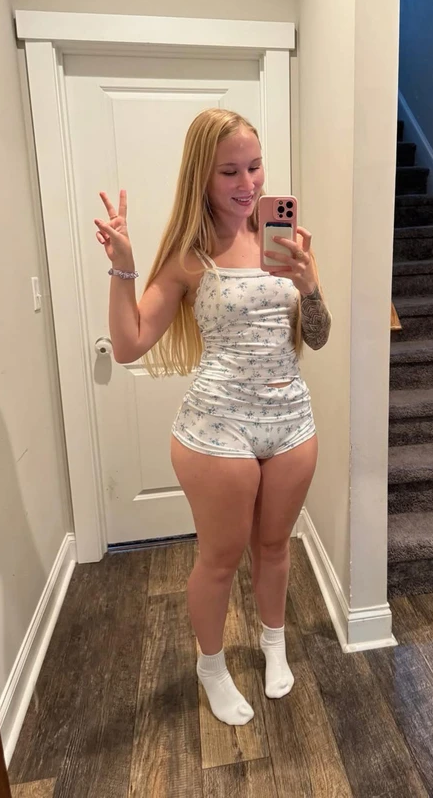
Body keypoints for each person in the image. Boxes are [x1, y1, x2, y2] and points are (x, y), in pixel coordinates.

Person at [93, 108, 331, 726]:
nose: (247, 183)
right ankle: (212, 665)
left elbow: (318, 336)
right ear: (202, 175)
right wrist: (123, 266)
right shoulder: (188, 256)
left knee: (275, 546)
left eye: (255, 167)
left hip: (291, 420)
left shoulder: (284, 242)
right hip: (217, 427)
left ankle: (274, 644)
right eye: (230, 171)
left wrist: (309, 285)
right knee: (220, 560)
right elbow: (129, 345)